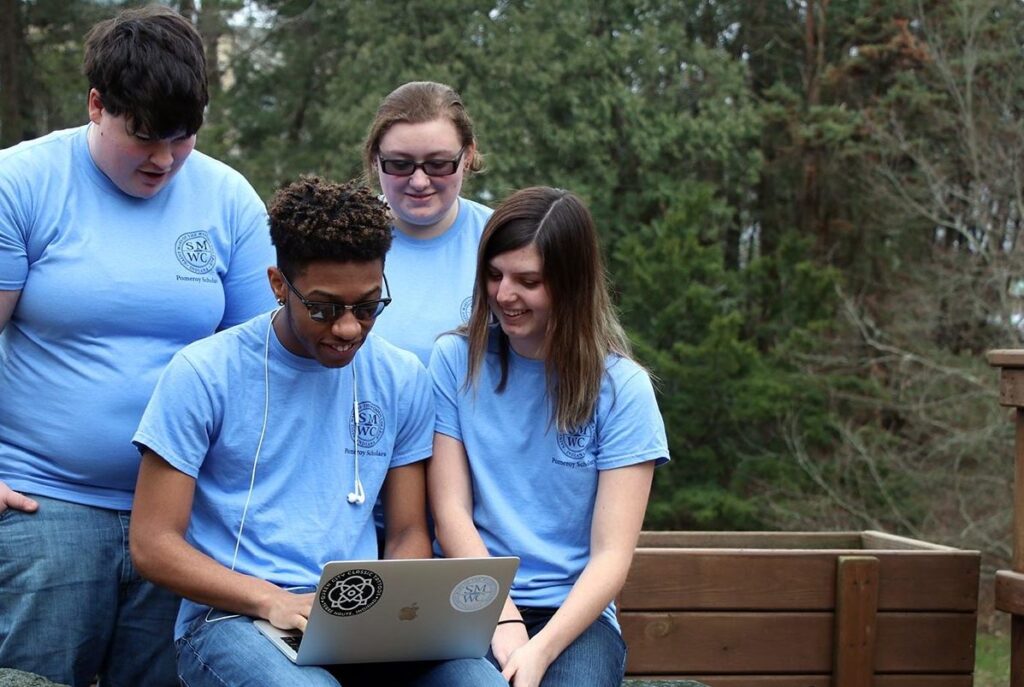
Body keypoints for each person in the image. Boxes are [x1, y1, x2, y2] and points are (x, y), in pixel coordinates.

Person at [129, 177, 507, 687]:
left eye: (368, 306)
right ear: (279, 285)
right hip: (233, 619)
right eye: (325, 308)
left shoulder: (400, 378)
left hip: (360, 619)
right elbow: (153, 543)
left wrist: (397, 617)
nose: (349, 328)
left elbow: (405, 532)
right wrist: (272, 600)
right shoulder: (203, 373)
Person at [0, 7, 275, 686]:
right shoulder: (22, 182)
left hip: (181, 519)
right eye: (144, 138)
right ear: (98, 105)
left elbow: (259, 362)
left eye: (182, 139)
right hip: (44, 504)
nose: (164, 160)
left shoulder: (229, 199)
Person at [428, 186, 670, 687]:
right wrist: (505, 618)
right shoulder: (455, 361)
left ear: (571, 283)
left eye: (528, 281)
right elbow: (450, 512)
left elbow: (610, 557)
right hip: (471, 599)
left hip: (575, 618)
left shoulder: (622, 390)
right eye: (494, 275)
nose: (504, 294)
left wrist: (538, 650)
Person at [363, 80, 491, 366]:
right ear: (375, 159)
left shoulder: (502, 240)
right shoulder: (338, 241)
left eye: (438, 164)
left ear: (467, 156)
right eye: (399, 164)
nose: (419, 181)